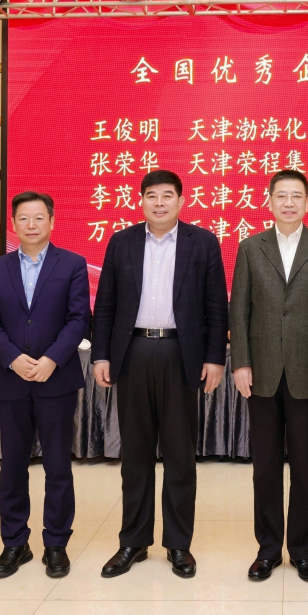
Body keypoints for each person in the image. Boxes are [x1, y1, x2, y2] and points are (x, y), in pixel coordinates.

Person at [91, 170, 229, 579]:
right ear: (141, 201)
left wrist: (215, 358)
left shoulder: (202, 242)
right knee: (134, 455)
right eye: (152, 196)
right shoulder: (122, 242)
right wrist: (101, 355)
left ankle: (178, 544)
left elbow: (216, 305)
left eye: (168, 196)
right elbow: (106, 303)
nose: (160, 203)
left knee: (180, 454)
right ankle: (133, 541)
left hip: (180, 353)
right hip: (132, 352)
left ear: (181, 201)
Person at [230, 169, 308, 583]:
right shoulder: (250, 247)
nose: (289, 203)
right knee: (264, 467)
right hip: (260, 370)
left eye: (297, 196)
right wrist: (240, 362)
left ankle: (302, 551)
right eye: (282, 195)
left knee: (305, 467)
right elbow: (239, 310)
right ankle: (267, 550)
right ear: (269, 201)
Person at [0, 191, 92, 580]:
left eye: (39, 217)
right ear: (13, 224)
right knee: (12, 466)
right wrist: (12, 358)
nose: (31, 224)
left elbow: (79, 318)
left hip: (56, 380)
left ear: (52, 221)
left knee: (58, 465)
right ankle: (15, 542)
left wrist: (52, 359)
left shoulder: (72, 264)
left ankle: (56, 543)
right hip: (11, 380)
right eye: (24, 218)